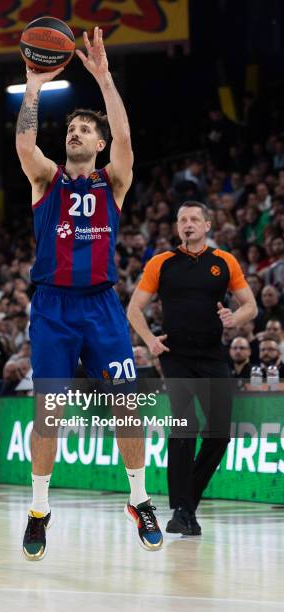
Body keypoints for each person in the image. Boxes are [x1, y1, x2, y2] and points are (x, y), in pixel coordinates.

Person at [16, 27, 162, 560]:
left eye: (84, 129)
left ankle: (140, 500)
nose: (75, 133)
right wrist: (34, 86)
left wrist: (103, 78)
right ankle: (38, 510)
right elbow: (24, 144)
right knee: (48, 414)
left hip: (101, 306)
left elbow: (125, 140)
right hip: (53, 308)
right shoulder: (46, 180)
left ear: (98, 144)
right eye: (72, 128)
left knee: (127, 409)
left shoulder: (112, 182)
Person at [127, 201, 257, 536]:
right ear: (177, 226)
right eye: (182, 219)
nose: (188, 224)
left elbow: (250, 306)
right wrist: (150, 340)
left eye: (194, 219)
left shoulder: (224, 262)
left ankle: (187, 506)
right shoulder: (162, 263)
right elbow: (134, 309)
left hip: (213, 354)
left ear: (207, 226)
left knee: (219, 435)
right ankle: (181, 510)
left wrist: (234, 318)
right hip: (176, 355)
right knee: (185, 426)